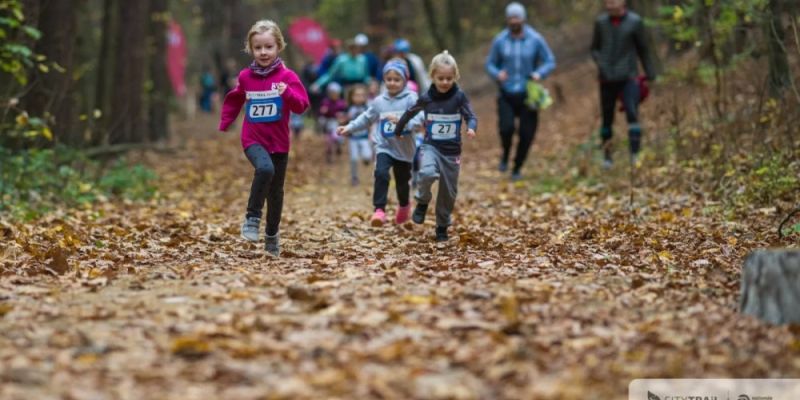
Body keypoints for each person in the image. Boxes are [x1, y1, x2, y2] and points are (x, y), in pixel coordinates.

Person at [218, 19, 310, 256]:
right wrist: (226, 121)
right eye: (258, 47)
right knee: (265, 170)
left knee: (276, 192)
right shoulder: (246, 76)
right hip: (253, 138)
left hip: (279, 142)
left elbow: (302, 106)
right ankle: (252, 218)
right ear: (251, 49)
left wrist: (286, 92)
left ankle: (271, 235)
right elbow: (235, 98)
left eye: (268, 47)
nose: (263, 52)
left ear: (278, 46)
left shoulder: (287, 77)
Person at [395, 51, 477, 242]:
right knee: (427, 173)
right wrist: (399, 128)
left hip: (452, 152)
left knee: (448, 193)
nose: (445, 82)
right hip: (431, 147)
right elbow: (410, 112)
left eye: (449, 78)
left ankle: (442, 226)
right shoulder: (427, 97)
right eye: (441, 78)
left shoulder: (459, 97)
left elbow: (470, 115)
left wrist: (471, 128)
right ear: (432, 76)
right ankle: (422, 201)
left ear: (455, 77)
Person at [336, 60, 423, 226]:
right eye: (388, 79)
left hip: (405, 149)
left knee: (402, 181)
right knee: (381, 174)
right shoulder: (379, 101)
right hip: (384, 146)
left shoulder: (411, 99)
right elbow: (367, 118)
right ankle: (379, 210)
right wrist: (349, 127)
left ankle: (404, 206)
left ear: (404, 80)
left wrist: (403, 122)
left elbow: (420, 120)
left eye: (396, 79)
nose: (392, 83)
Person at [485, 2, 556, 181]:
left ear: (523, 18)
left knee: (526, 133)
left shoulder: (535, 39)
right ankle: (505, 154)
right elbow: (489, 63)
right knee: (506, 129)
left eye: (516, 17)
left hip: (528, 93)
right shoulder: (500, 40)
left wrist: (539, 73)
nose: (513, 21)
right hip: (506, 93)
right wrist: (497, 73)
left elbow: (550, 60)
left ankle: (517, 167)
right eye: (510, 17)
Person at [591, 0, 656, 168]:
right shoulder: (601, 23)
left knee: (632, 113)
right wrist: (601, 63)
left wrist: (650, 73)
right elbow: (594, 48)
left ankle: (635, 154)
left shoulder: (635, 22)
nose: (609, 5)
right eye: (607, 2)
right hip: (606, 79)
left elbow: (643, 48)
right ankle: (607, 157)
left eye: (613, 2)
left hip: (629, 77)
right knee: (607, 118)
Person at [343, 84, 373, 186]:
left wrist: (371, 133)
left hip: (364, 137)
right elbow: (344, 122)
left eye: (361, 95)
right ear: (351, 97)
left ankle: (366, 160)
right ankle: (354, 177)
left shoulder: (367, 108)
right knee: (354, 158)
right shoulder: (349, 108)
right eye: (356, 95)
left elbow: (370, 121)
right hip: (353, 138)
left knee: (367, 156)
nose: (359, 97)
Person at [319, 82, 347, 162]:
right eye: (332, 93)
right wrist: (323, 112)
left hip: (336, 123)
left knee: (337, 138)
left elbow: (345, 113)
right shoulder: (326, 102)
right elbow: (321, 111)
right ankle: (329, 155)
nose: (334, 95)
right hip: (327, 123)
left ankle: (338, 147)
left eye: (336, 93)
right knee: (328, 142)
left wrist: (342, 117)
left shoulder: (341, 103)